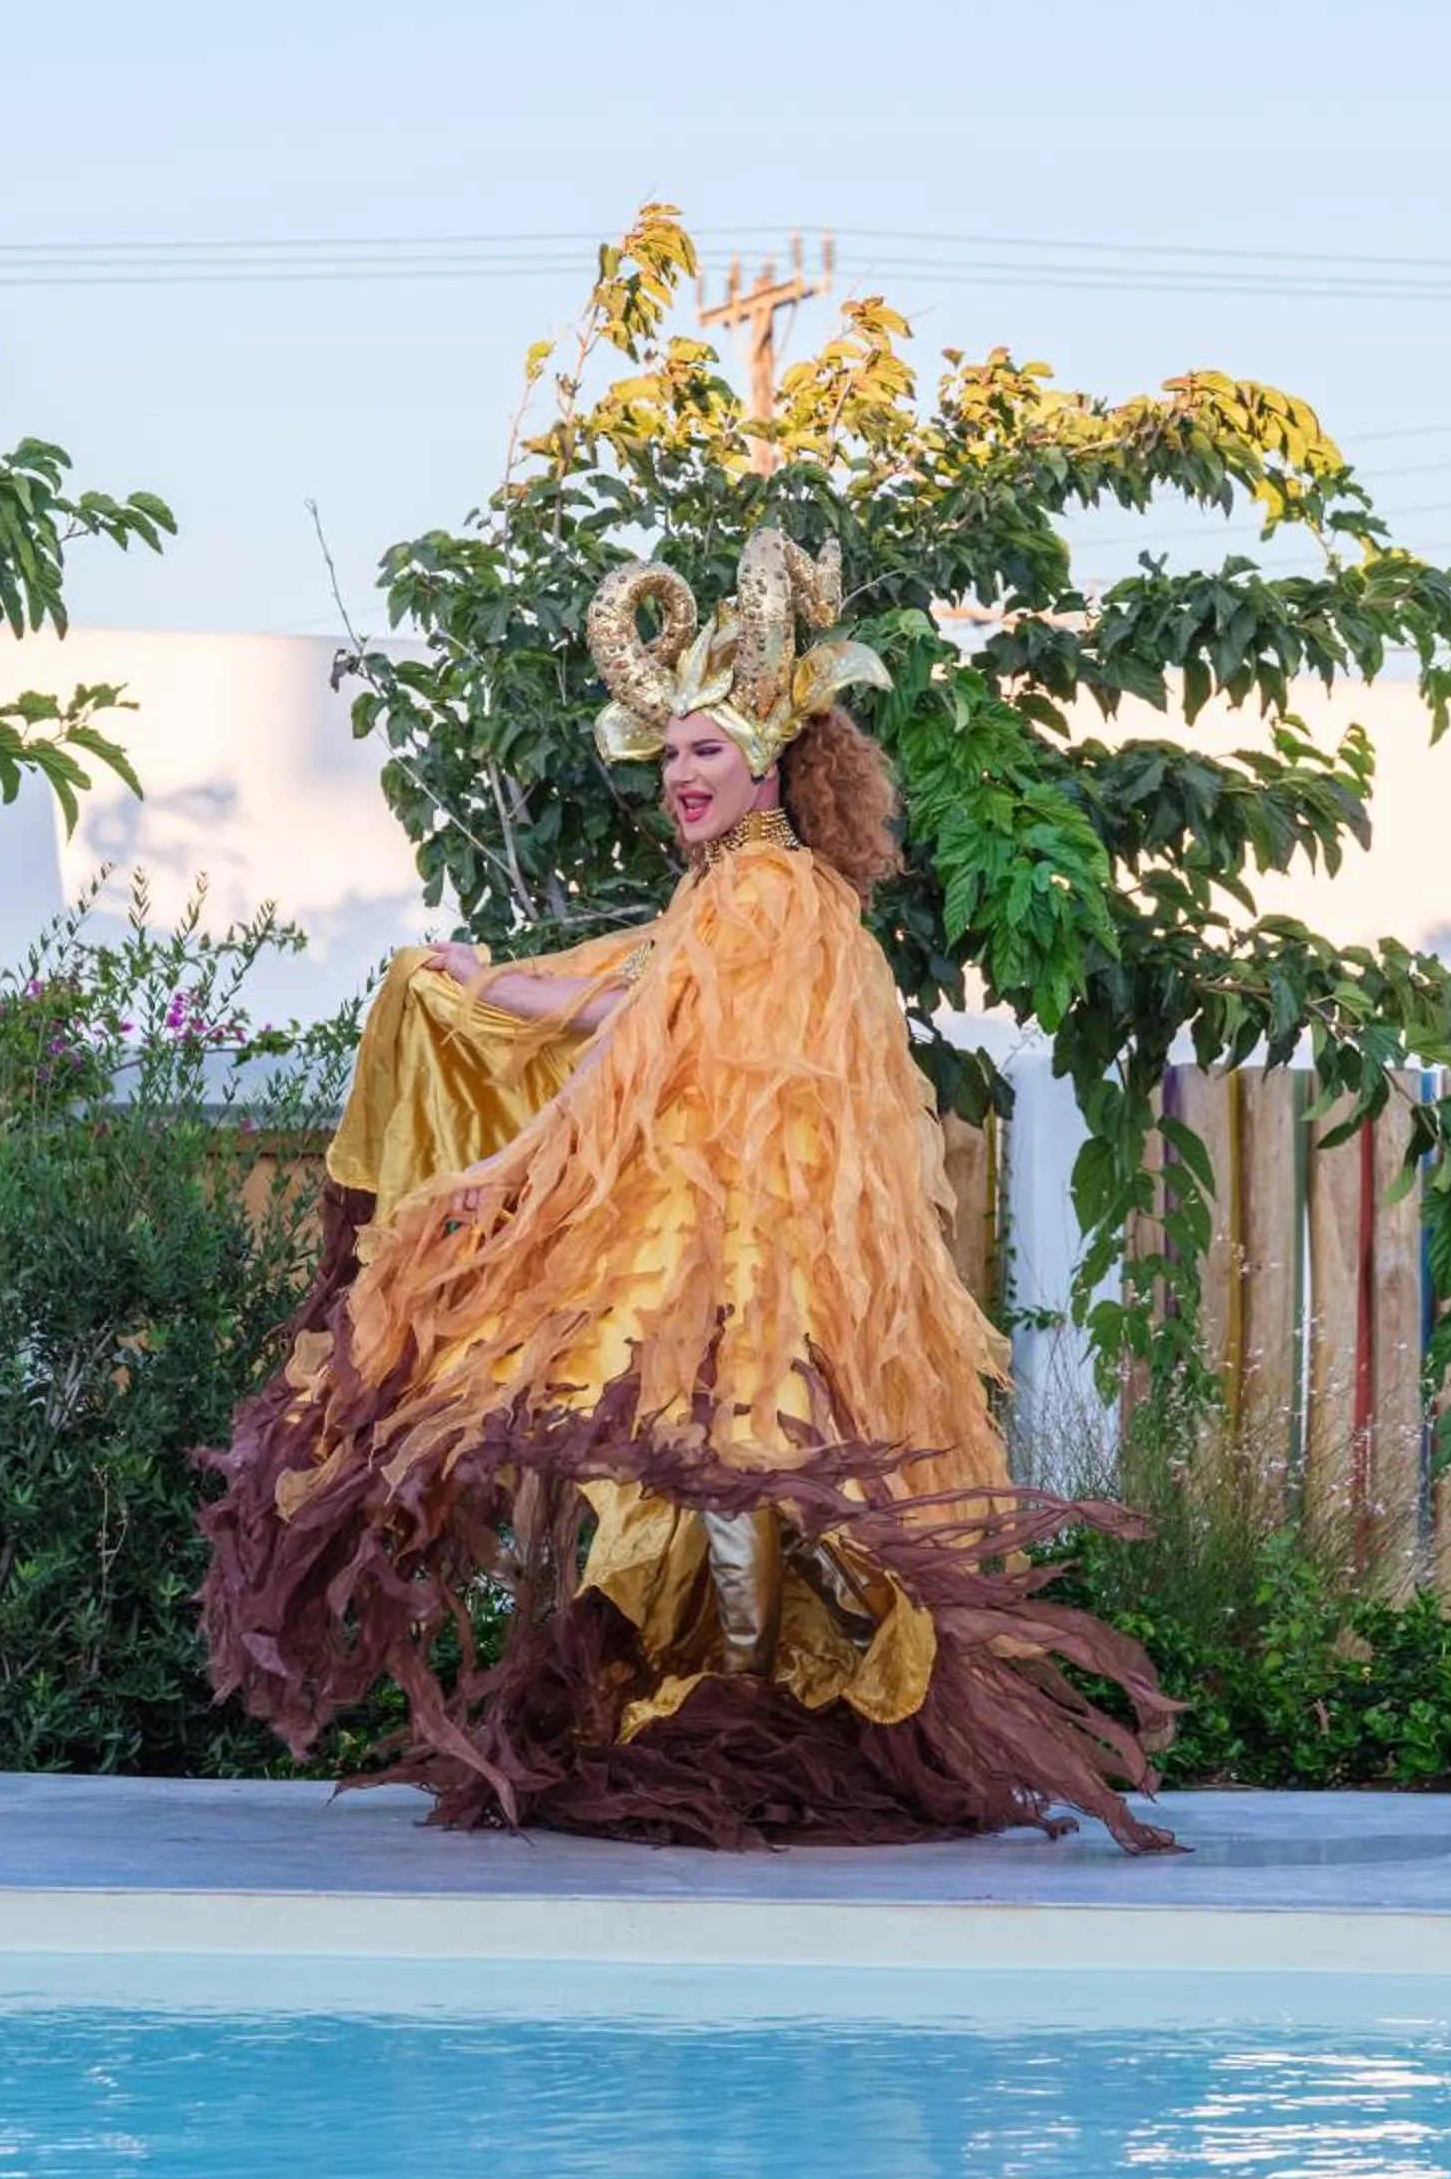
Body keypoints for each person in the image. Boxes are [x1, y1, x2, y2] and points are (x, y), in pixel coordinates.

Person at [201, 527, 1173, 1849]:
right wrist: (473, 979)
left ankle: (731, 1709)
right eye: (666, 756)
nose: (679, 776)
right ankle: (731, 1706)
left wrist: (497, 1152)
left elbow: (625, 1042)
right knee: (703, 1478)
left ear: (773, 763)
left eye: (703, 750)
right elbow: (615, 999)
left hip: (734, 1256)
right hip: (732, 1256)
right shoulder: (753, 900)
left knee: (701, 1465)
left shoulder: (766, 896)